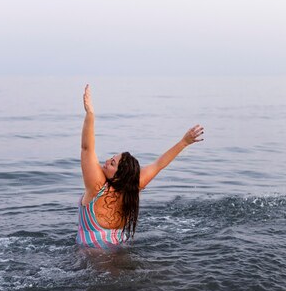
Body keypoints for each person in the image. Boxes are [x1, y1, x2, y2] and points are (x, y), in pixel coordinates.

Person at [77, 84, 204, 250]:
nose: (107, 161)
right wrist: (184, 142)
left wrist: (90, 114)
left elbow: (87, 148)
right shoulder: (132, 188)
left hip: (92, 258)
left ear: (119, 176)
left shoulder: (97, 187)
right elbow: (159, 164)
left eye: (112, 163)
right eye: (112, 158)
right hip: (118, 251)